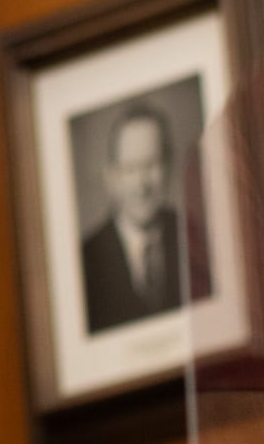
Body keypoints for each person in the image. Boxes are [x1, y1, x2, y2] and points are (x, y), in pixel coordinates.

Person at [80, 101, 198, 333]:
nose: (142, 184)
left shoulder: (198, 237)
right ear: (111, 177)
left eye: (151, 164)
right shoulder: (86, 261)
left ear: (169, 165)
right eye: (131, 168)